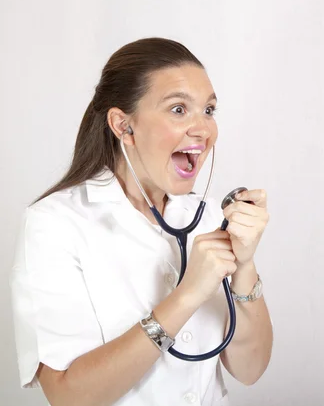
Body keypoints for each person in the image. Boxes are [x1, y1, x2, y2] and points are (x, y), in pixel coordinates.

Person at [9, 37, 273, 406]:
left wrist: (244, 265)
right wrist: (187, 294)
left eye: (209, 110)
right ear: (123, 125)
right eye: (179, 109)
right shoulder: (54, 224)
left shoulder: (208, 216)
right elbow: (68, 396)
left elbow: (250, 369)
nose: (203, 129)